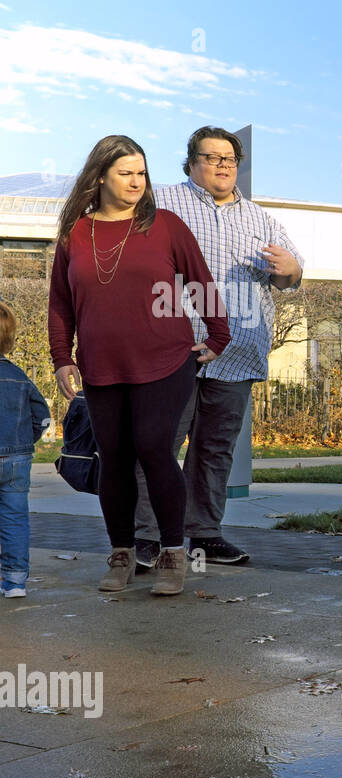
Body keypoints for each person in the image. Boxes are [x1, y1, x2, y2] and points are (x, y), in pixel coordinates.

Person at [48, 134, 229, 595]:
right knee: (114, 459)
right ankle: (121, 553)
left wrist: (218, 337)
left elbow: (200, 282)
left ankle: (172, 555)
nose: (136, 181)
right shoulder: (77, 233)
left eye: (141, 172)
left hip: (165, 360)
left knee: (153, 448)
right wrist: (60, 357)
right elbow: (60, 302)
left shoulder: (165, 225)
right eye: (125, 172)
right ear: (100, 176)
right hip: (102, 365)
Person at [133, 126, 305, 570]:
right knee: (159, 444)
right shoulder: (162, 202)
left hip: (238, 353)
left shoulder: (261, 218)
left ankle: (204, 535)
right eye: (212, 158)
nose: (224, 166)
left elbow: (290, 277)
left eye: (230, 159)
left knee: (214, 448)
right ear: (191, 162)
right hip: (175, 346)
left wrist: (291, 269)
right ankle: (145, 538)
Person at [0, 301, 51, 598]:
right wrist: (24, 441)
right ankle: (15, 581)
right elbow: (42, 416)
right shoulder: (20, 376)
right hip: (17, 459)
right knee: (15, 518)